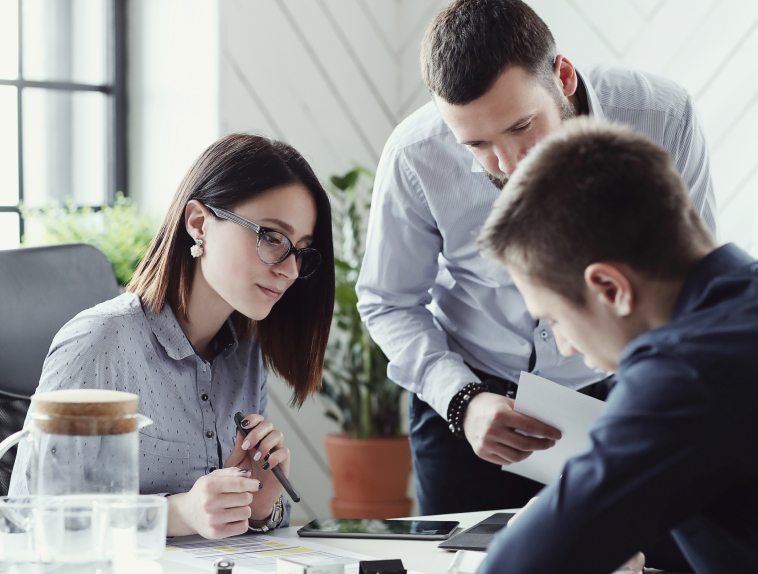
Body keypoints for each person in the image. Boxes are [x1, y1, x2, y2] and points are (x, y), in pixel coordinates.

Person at [356, 0, 718, 518]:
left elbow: (692, 280)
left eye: (522, 125)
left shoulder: (664, 115)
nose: (509, 163)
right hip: (471, 405)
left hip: (626, 393)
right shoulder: (414, 154)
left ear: (563, 76)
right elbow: (388, 302)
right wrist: (464, 401)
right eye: (476, 144)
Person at [10, 134, 336, 540]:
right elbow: (27, 522)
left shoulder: (246, 352)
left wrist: (258, 508)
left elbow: (244, 526)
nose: (289, 270)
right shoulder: (98, 342)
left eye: (301, 251)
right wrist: (176, 514)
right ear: (199, 223)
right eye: (272, 236)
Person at [475, 117, 758, 574]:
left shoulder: (685, 371)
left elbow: (515, 568)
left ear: (609, 288)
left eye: (555, 319)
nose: (564, 347)